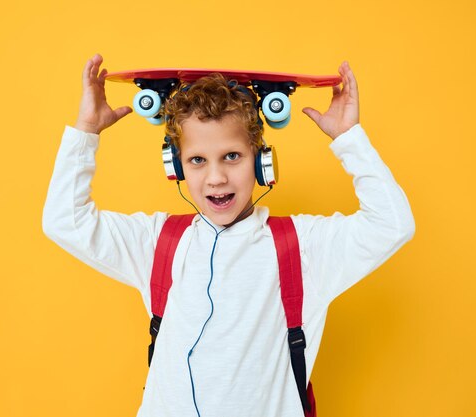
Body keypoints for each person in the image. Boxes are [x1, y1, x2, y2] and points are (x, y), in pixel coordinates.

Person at [42, 53, 415, 417]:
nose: (216, 177)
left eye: (232, 156)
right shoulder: (160, 244)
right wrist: (86, 132)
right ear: (176, 166)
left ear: (260, 159)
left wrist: (349, 139)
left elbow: (392, 223)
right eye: (198, 160)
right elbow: (64, 220)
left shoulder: (302, 248)